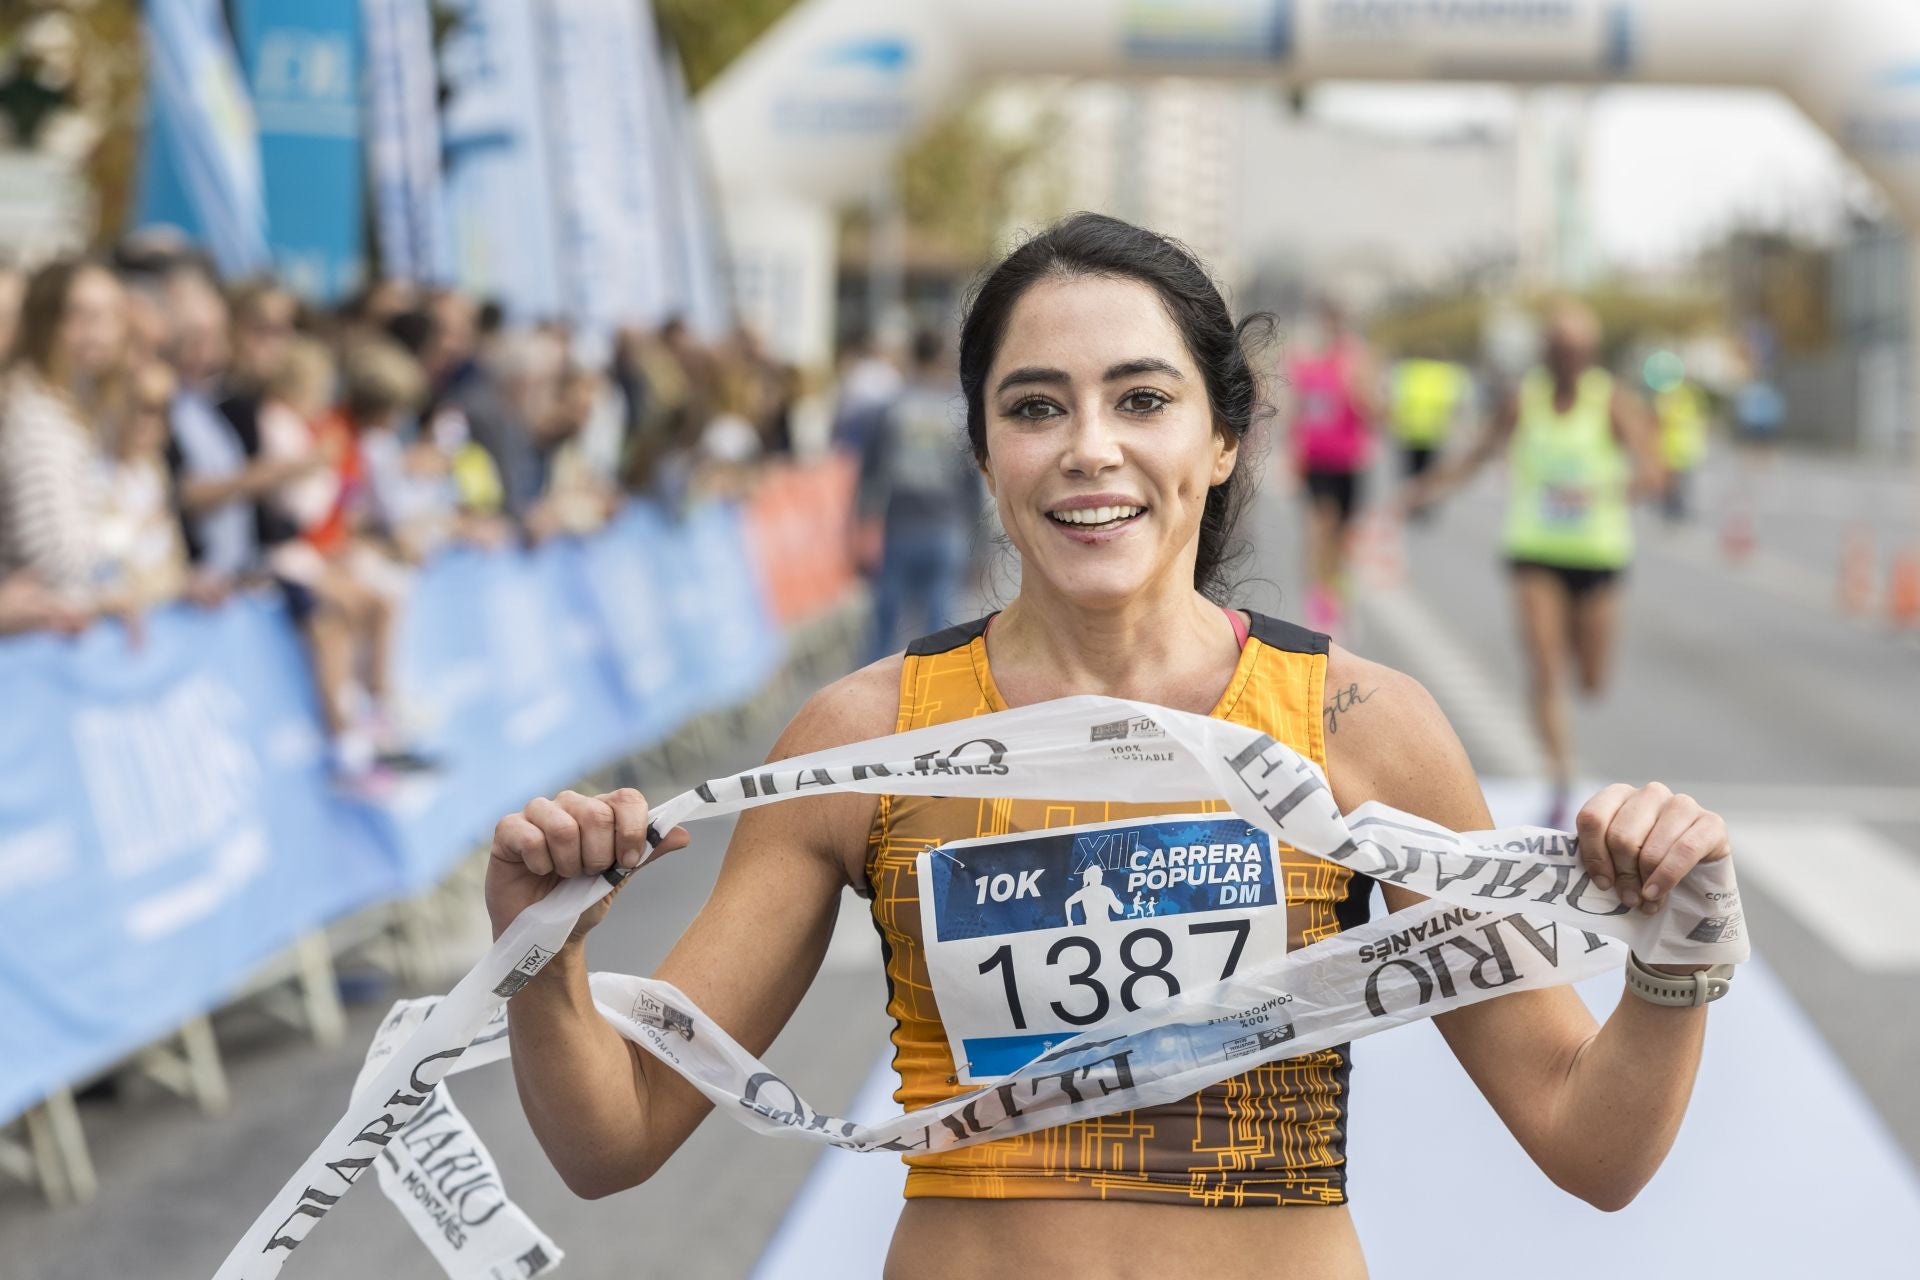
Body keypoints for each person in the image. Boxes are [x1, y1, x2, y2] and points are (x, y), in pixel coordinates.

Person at [485, 216, 1738, 1279]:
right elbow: (616, 1141)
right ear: (986, 451)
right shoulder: (868, 738)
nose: (1091, 445)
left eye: (1143, 398)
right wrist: (542, 956)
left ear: (1224, 437)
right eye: (1037, 406)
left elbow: (1590, 1142)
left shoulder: (1355, 725)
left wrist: (1675, 967)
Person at [1409, 301, 1665, 828]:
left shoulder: (1611, 401)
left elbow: (1654, 472)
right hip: (1535, 550)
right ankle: (1560, 775)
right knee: (1545, 667)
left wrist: (1602, 490)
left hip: (1597, 554)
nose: (1569, 359)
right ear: (1546, 352)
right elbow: (1480, 452)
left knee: (1591, 679)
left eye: (1579, 351)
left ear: (1590, 356)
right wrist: (1426, 487)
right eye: (1560, 349)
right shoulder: (1523, 400)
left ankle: (1562, 754)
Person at [0, 256, 139, 630]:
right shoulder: (34, 414)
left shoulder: (66, 406)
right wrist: (104, 591)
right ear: (46, 321)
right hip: (31, 653)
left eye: (113, 315)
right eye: (85, 316)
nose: (104, 333)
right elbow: (55, 560)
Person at [857, 327, 982, 660]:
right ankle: (934, 704)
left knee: (885, 624)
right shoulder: (959, 412)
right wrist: (978, 542)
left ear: (912, 356)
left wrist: (860, 523)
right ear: (942, 359)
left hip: (900, 524)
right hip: (947, 525)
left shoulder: (893, 407)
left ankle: (867, 702)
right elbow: (972, 479)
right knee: (939, 629)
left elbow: (870, 471)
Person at [1285, 298, 1378, 633]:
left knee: (1341, 538)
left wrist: (1361, 393)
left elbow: (1377, 414)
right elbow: (1296, 412)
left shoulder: (1357, 361)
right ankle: (1318, 607)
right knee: (1319, 531)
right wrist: (1291, 457)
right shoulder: (1305, 362)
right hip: (1316, 462)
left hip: (1349, 462)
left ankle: (1338, 599)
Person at [1386, 346, 1471, 518]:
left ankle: (1412, 502)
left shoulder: (1410, 371)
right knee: (1429, 472)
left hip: (1410, 430)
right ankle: (1421, 502)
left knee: (1412, 470)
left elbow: (1396, 398)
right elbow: (1456, 402)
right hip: (1434, 432)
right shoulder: (1444, 374)